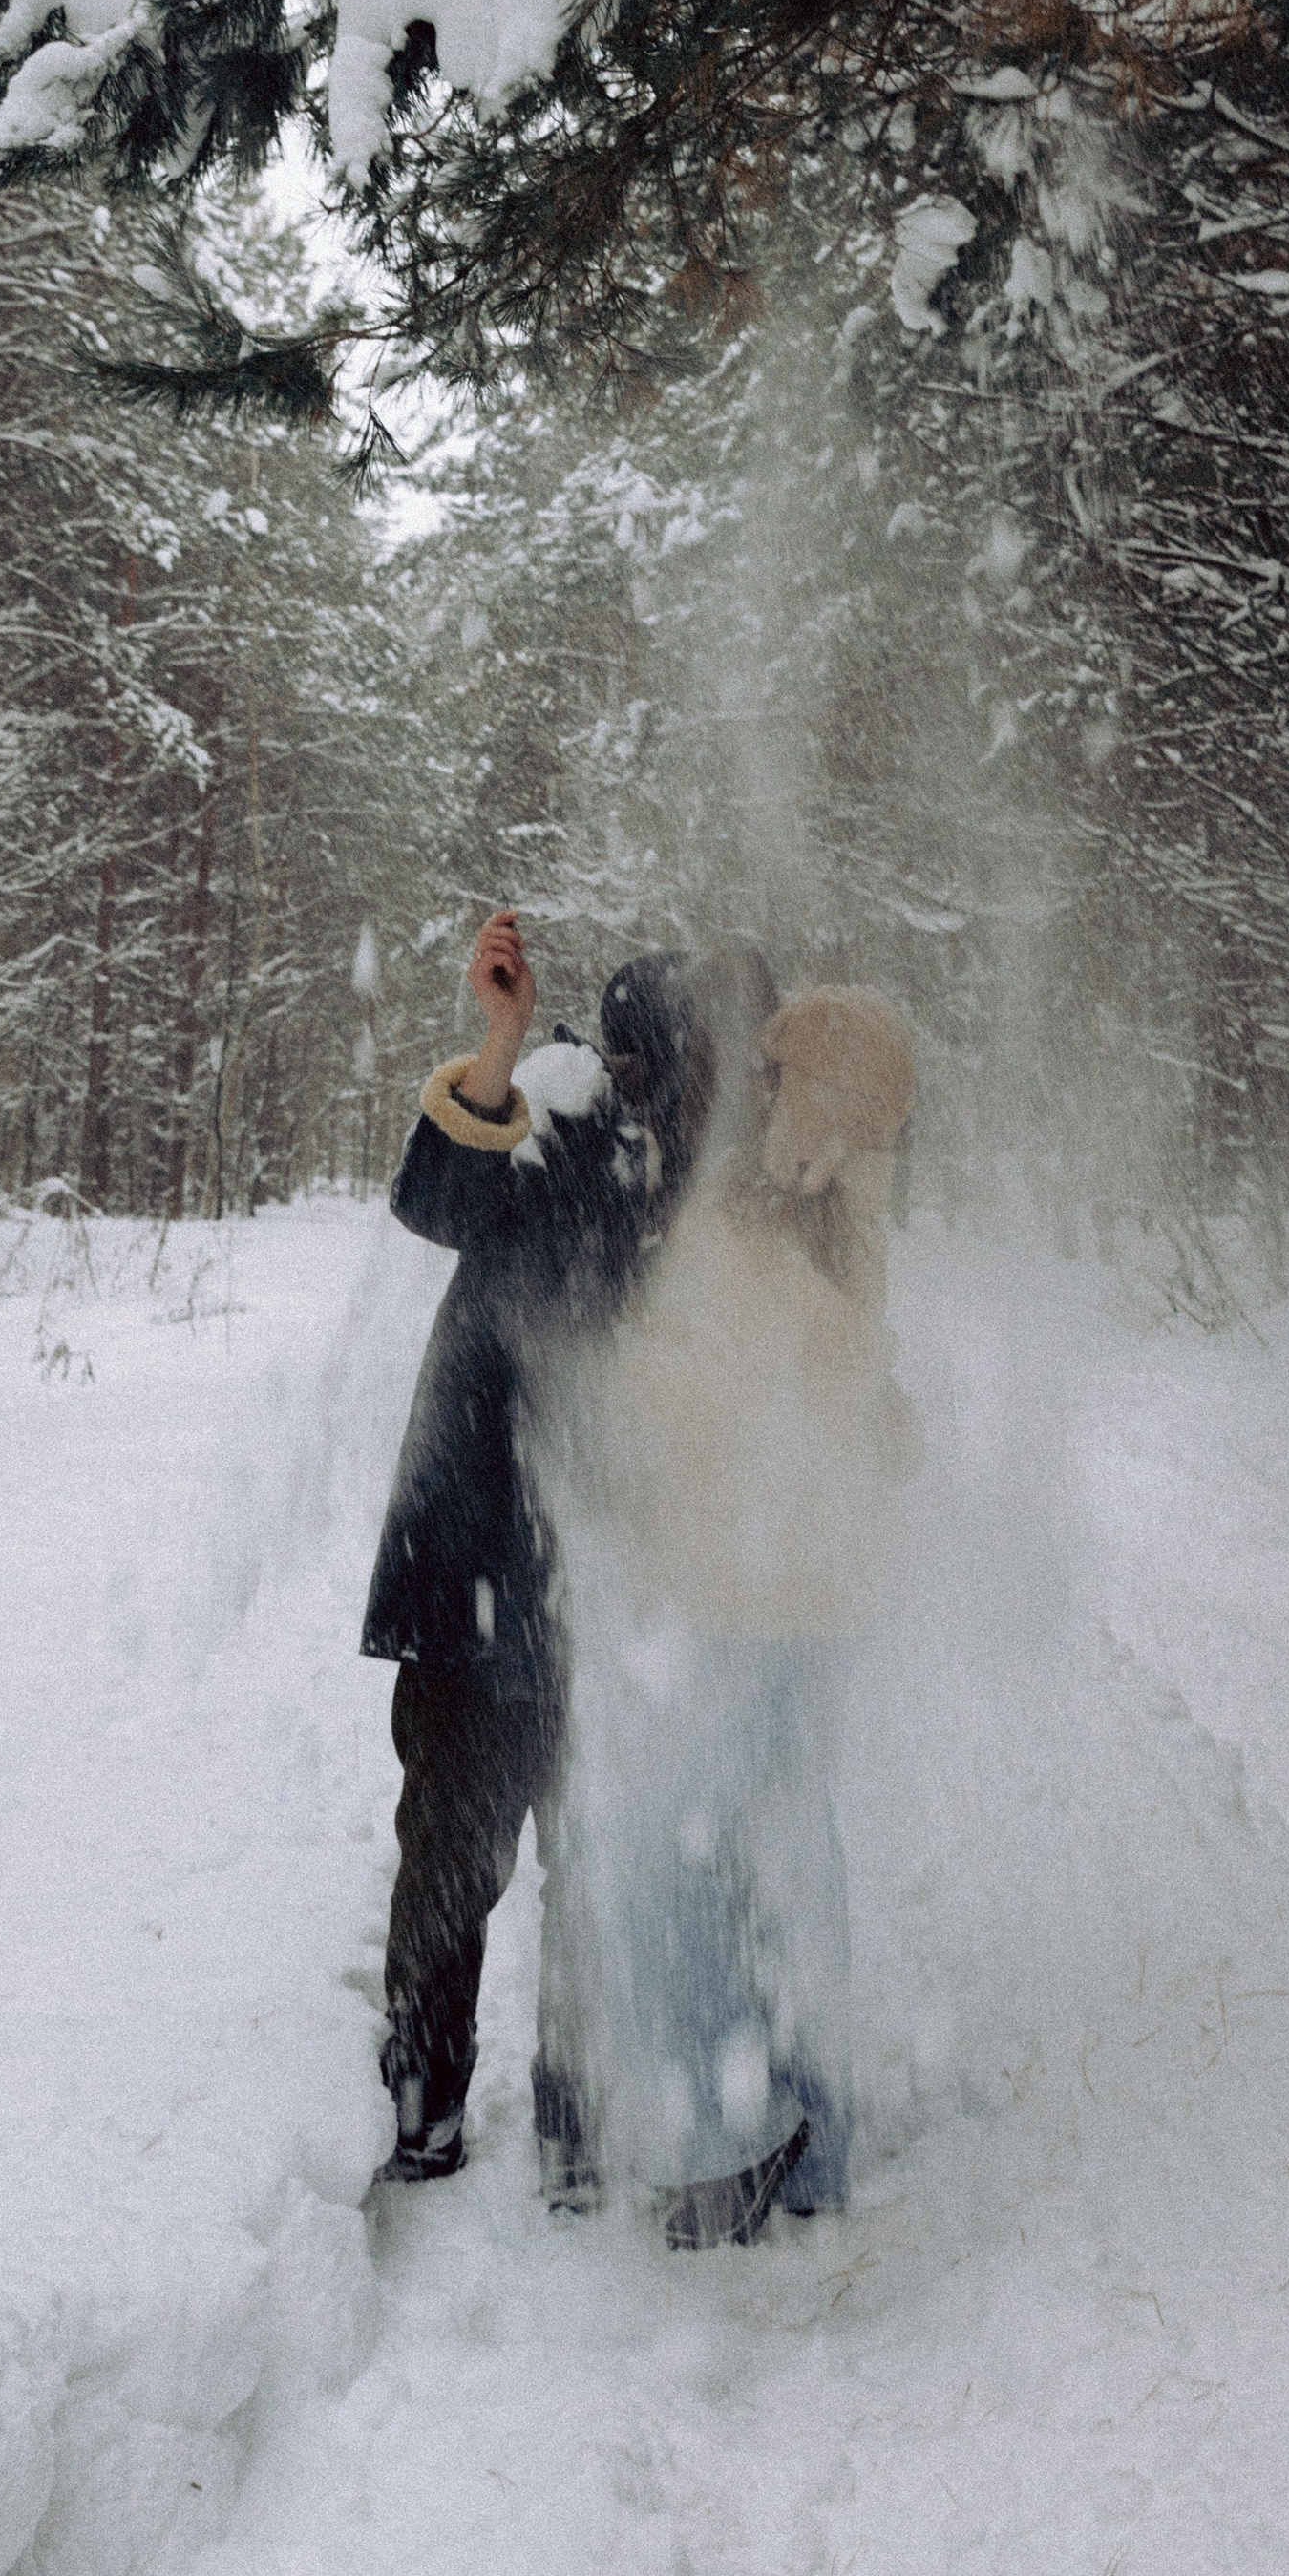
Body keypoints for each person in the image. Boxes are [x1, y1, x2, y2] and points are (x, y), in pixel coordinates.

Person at [597, 981, 920, 2249]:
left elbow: (734, 1390)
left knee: (663, 1859)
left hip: (755, 1592)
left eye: (787, 1076)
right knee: (786, 1856)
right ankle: (815, 2137)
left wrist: (630, 1371)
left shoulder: (800, 1217)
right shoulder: (825, 1217)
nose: (768, 1093)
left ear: (825, 1096)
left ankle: (732, 2139)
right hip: (797, 1590)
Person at [364, 909, 657, 2190]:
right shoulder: (554, 1121)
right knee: (453, 1859)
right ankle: (425, 2105)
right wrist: (497, 1039)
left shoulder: (687, 1179)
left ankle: (578, 2122)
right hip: (480, 1554)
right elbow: (435, 1195)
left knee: (599, 1859)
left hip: (604, 1583)